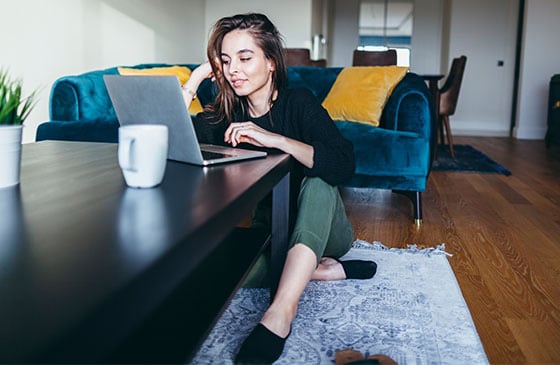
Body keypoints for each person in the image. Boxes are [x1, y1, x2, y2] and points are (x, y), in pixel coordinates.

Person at [182, 13, 377, 364]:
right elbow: (172, 139)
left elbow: (342, 163)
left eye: (245, 58)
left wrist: (276, 139)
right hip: (271, 233)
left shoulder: (298, 102)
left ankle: (280, 313)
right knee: (218, 273)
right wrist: (194, 81)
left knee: (319, 177)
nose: (233, 70)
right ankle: (323, 270)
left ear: (271, 62)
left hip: (326, 229)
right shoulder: (225, 114)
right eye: (225, 61)